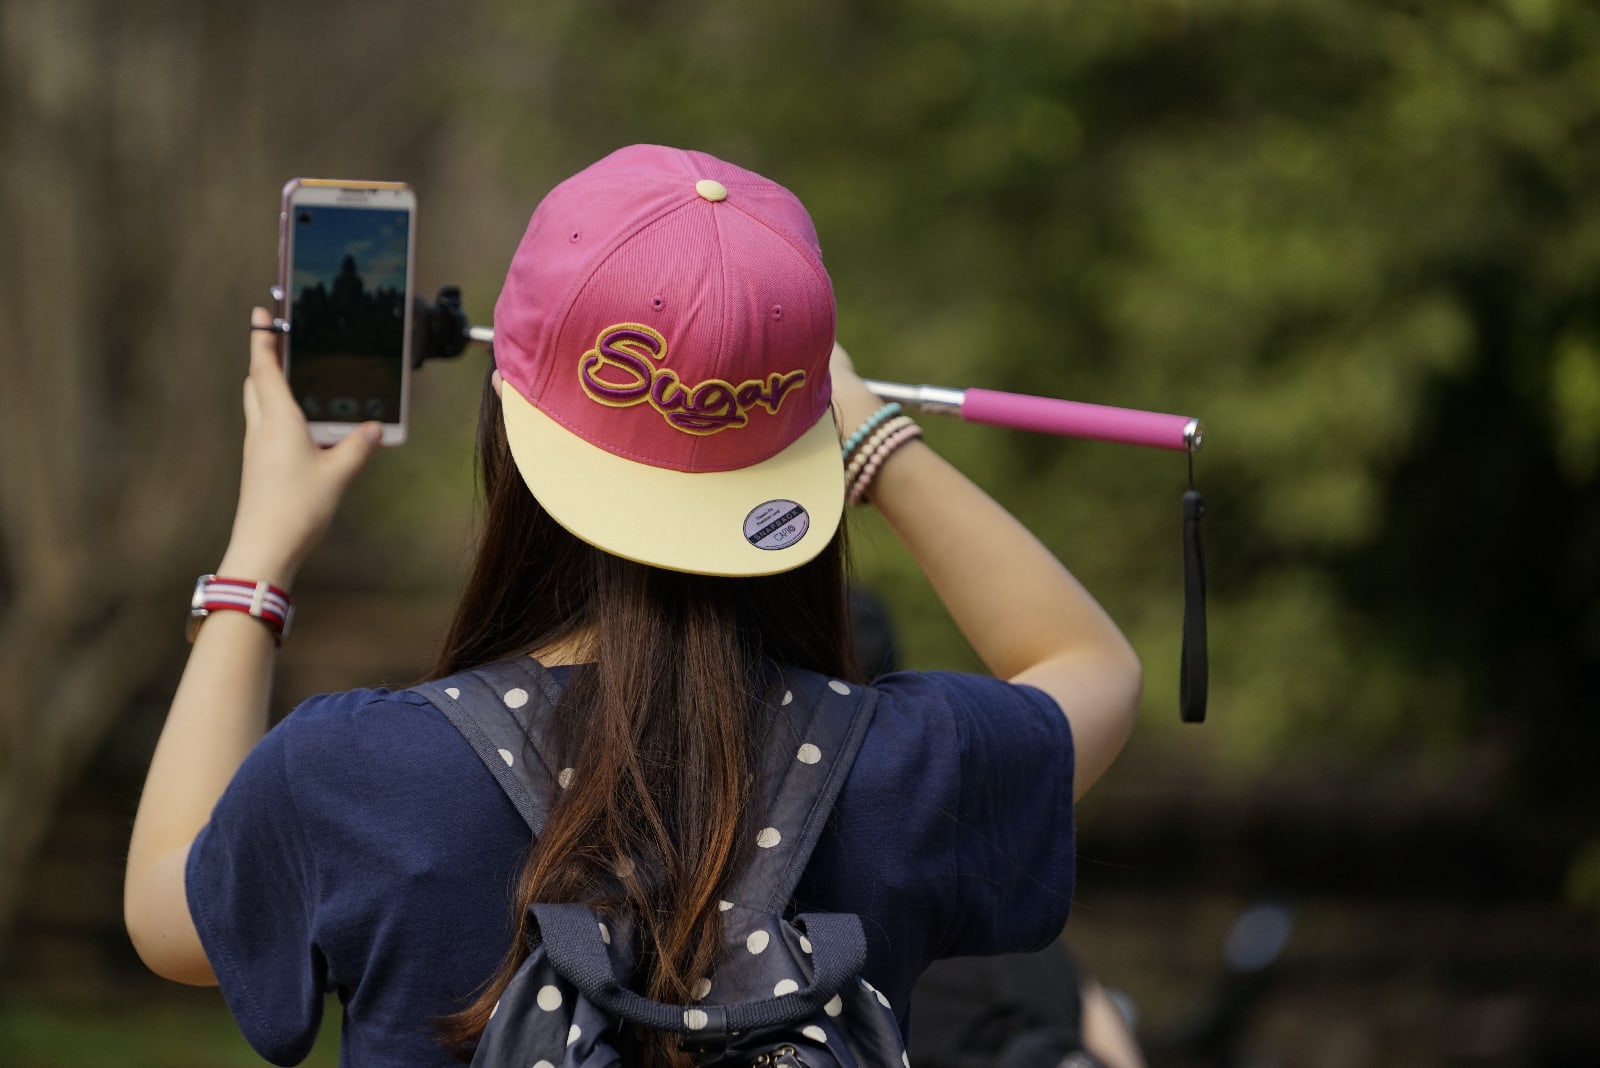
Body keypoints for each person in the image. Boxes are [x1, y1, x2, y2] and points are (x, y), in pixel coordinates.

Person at [122, 144, 1143, 1067]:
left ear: (506, 425)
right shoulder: (907, 771)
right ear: (803, 459)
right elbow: (1094, 668)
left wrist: (257, 559)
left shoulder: (355, 774)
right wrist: (872, 434)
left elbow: (167, 915)